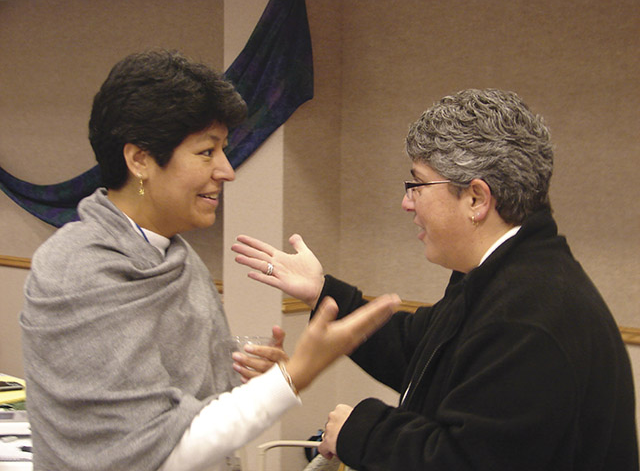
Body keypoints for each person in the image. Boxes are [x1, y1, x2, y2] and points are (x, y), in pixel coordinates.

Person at [19, 49, 401, 471]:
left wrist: (248, 382)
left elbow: (184, 407)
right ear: (140, 159)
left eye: (223, 149)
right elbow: (147, 453)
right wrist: (294, 377)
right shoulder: (77, 270)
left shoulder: (176, 259)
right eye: (206, 152)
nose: (227, 170)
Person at [232, 88, 639, 470]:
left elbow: (465, 461)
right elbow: (421, 352)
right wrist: (323, 292)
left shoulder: (530, 316)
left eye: (418, 185)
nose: (406, 202)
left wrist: (361, 429)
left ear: (476, 199)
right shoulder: (502, 277)